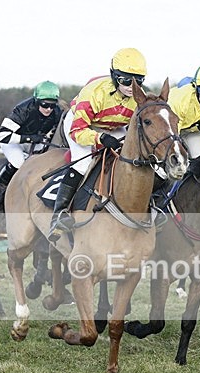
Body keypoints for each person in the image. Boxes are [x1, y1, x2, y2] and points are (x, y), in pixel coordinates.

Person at [48, 48, 147, 242]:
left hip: (113, 125)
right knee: (83, 163)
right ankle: (59, 214)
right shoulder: (94, 93)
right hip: (81, 123)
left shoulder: (138, 97)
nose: (131, 86)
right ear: (114, 76)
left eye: (138, 80)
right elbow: (77, 132)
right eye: (126, 80)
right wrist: (99, 139)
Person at [0, 80, 62, 186]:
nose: (49, 109)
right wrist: (29, 138)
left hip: (36, 142)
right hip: (13, 142)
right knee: (19, 164)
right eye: (45, 104)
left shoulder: (57, 112)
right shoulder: (22, 110)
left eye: (52, 105)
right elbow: (2, 135)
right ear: (37, 100)